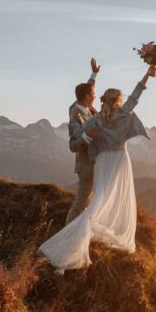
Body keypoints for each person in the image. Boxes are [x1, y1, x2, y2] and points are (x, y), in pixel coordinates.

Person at [39, 63, 156, 273]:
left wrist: (93, 75)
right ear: (118, 102)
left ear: (103, 100)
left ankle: (77, 234)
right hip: (119, 161)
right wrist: (148, 73)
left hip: (102, 162)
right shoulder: (122, 114)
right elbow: (136, 95)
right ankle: (73, 237)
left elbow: (79, 129)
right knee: (114, 198)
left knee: (98, 200)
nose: (94, 97)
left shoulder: (95, 119)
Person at [65, 57, 101, 224]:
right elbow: (73, 146)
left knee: (88, 205)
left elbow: (86, 89)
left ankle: (81, 231)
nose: (95, 96)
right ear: (87, 97)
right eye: (93, 95)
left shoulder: (87, 108)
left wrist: (94, 74)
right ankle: (66, 235)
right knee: (80, 205)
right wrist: (88, 137)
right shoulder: (75, 113)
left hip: (95, 165)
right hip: (86, 166)